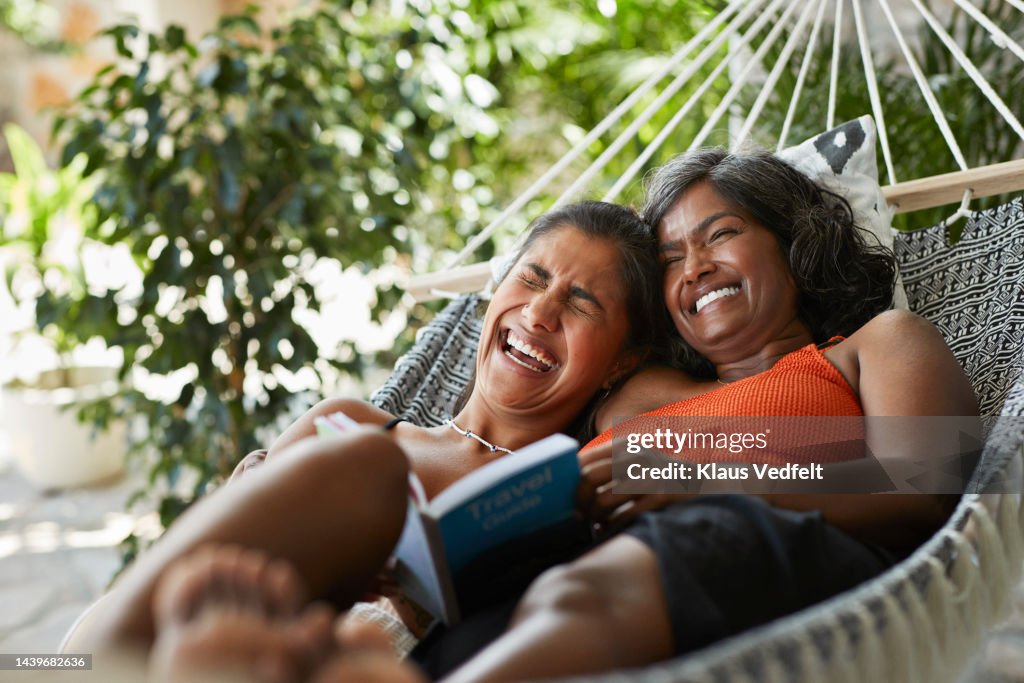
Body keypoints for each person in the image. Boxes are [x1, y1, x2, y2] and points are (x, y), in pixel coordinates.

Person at [412, 148, 979, 682]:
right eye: (672, 259)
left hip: (754, 563)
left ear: (792, 241)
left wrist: (709, 479)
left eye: (721, 235)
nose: (695, 269)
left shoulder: (876, 345)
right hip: (559, 588)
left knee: (593, 592)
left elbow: (924, 489)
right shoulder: (626, 392)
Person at [67, 200, 669, 681]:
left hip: (342, 660)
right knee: (363, 462)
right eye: (531, 278)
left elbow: (758, 448)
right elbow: (191, 556)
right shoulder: (354, 422)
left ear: (624, 362)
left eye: (581, 304)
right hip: (158, 642)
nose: (539, 312)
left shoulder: (580, 476)